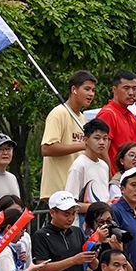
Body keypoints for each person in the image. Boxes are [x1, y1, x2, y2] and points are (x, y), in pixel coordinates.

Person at [39, 71, 96, 199]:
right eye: (87, 89)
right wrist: (83, 145)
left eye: (93, 90)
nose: (91, 94)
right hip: (59, 193)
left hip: (76, 192)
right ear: (74, 89)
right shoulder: (59, 113)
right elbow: (47, 148)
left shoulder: (83, 119)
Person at [99, 70, 136, 165]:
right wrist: (109, 173)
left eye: (134, 88)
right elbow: (101, 151)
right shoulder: (108, 114)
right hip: (116, 173)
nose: (131, 93)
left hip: (130, 173)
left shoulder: (130, 115)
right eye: (126, 88)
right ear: (114, 89)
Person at [66, 117, 114, 205]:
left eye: (105, 138)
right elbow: (71, 203)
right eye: (97, 138)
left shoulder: (104, 166)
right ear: (85, 140)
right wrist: (98, 207)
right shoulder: (79, 165)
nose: (102, 142)